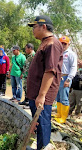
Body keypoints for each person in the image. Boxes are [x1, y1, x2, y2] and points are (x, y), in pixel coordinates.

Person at [27, 15, 63, 150]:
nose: (33, 30)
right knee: (39, 124)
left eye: (34, 27)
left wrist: (42, 95)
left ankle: (43, 147)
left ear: (43, 26)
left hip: (42, 94)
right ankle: (40, 146)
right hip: (36, 93)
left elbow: (50, 71)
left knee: (43, 123)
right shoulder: (45, 42)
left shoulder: (52, 44)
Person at [53, 36, 77, 123]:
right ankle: (59, 114)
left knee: (64, 97)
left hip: (66, 77)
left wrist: (69, 79)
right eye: (61, 43)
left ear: (68, 44)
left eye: (65, 43)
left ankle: (63, 117)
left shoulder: (71, 54)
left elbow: (74, 67)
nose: (63, 45)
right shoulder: (58, 53)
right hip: (58, 77)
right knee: (58, 97)